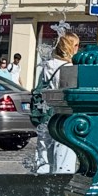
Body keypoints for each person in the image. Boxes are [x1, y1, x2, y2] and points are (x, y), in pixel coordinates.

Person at [28, 31, 83, 174]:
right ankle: (60, 188)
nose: (78, 48)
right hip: (61, 117)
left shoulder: (47, 65)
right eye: (76, 45)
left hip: (45, 116)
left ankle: (41, 188)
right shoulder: (69, 68)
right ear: (69, 46)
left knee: (43, 156)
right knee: (64, 156)